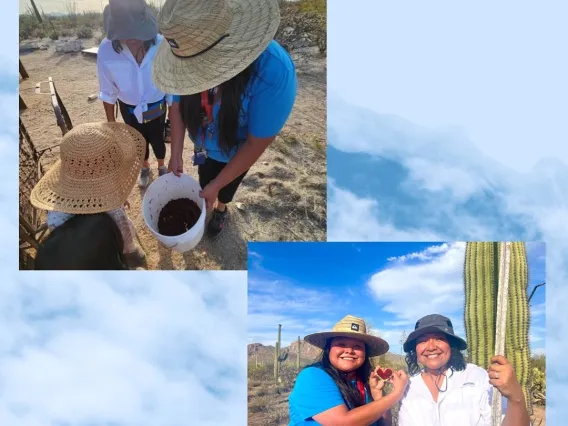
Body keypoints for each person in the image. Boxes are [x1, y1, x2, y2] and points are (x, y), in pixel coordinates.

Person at [151, 0, 297, 238]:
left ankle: (221, 209)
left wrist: (218, 186)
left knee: (227, 188)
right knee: (205, 176)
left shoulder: (273, 72)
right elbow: (177, 107)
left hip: (236, 152)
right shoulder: (187, 48)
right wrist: (175, 152)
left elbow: (255, 144)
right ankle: (214, 192)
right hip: (204, 148)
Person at [29, 122, 147, 269]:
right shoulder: (115, 212)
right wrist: (131, 252)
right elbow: (126, 239)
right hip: (109, 257)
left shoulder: (55, 214)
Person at [398, 314, 530, 426]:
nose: (431, 347)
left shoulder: (476, 378)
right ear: (415, 350)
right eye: (422, 341)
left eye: (439, 338)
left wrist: (515, 397)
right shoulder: (408, 387)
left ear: (451, 345)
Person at [98, 0, 173, 187]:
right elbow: (108, 91)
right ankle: (145, 167)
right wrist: (112, 126)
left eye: (136, 32)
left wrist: (171, 116)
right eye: (125, 32)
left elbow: (170, 83)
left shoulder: (161, 46)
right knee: (137, 143)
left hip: (157, 108)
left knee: (158, 140)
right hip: (128, 109)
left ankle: (161, 166)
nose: (131, 38)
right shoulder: (106, 50)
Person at [288, 315, 409, 425]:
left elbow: (385, 424)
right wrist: (397, 393)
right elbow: (342, 423)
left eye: (357, 346)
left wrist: (378, 395)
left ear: (365, 353)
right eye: (341, 344)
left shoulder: (363, 382)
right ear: (328, 349)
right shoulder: (312, 376)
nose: (349, 351)